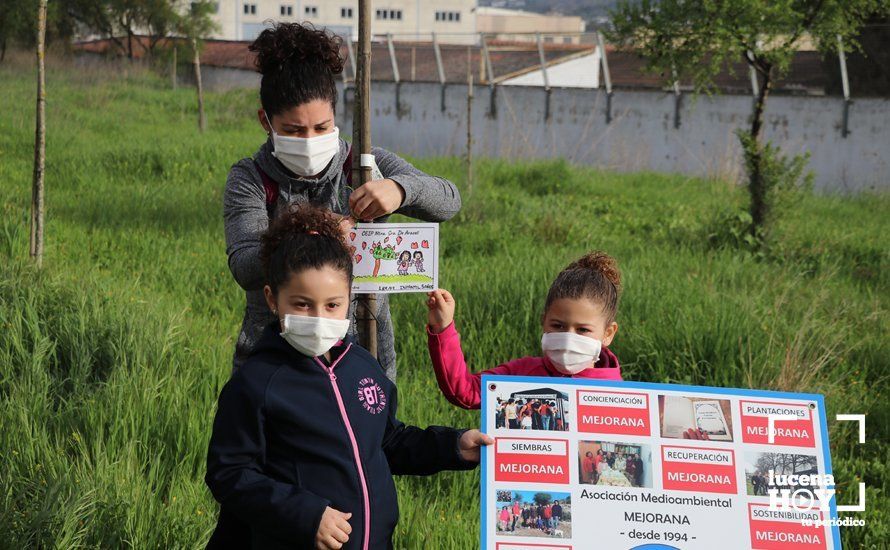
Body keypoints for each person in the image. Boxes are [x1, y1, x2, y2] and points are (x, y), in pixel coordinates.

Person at [205, 204, 490, 550]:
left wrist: (452, 447)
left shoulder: (363, 366)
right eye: (301, 304)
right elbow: (230, 474)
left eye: (332, 305)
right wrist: (307, 515)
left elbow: (387, 442)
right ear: (272, 299)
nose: (318, 317)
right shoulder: (256, 384)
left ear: (349, 300)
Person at [224, 22, 462, 380]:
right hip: (274, 358)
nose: (309, 139)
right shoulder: (251, 178)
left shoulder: (364, 165)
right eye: (292, 130)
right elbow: (244, 266)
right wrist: (316, 233)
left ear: (337, 117)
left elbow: (449, 200)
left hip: (363, 350)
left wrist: (399, 189)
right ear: (266, 122)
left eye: (321, 127)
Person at [425, 252, 623, 409]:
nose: (569, 339)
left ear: (608, 333)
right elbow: (467, 391)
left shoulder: (623, 397)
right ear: (543, 321)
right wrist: (443, 328)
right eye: (558, 326)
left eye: (583, 330)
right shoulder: (523, 372)